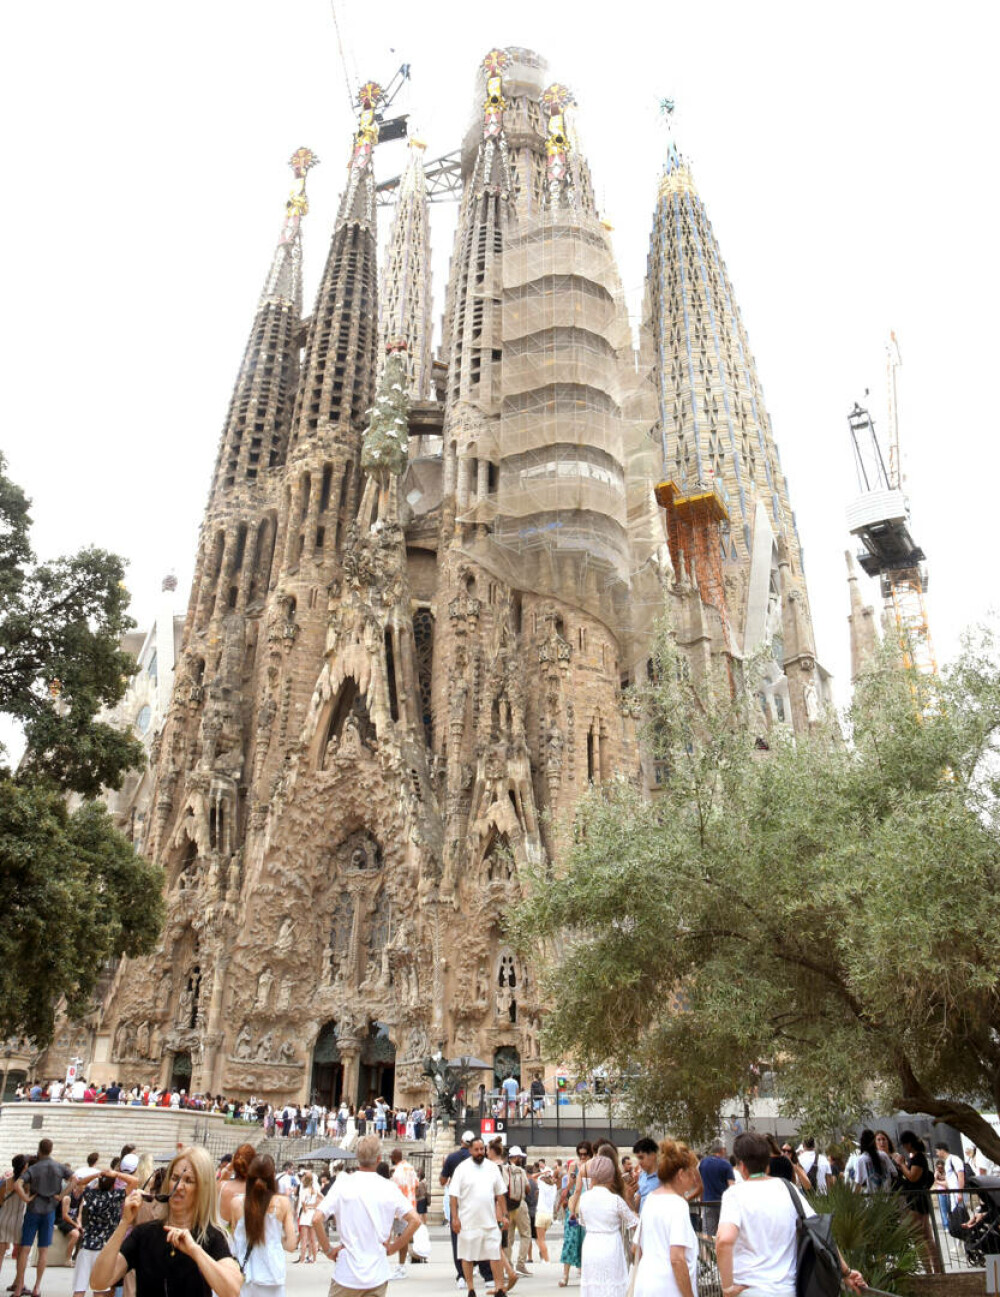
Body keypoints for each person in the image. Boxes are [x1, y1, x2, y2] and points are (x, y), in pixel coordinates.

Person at [715, 1132, 864, 1297]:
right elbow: (821, 1232)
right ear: (768, 1164)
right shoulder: (788, 1188)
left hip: (750, 1290)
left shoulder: (735, 1195)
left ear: (741, 1166)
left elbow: (724, 1240)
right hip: (788, 1290)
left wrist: (727, 1288)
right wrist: (846, 1271)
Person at [90, 1145, 241, 1297]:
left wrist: (195, 1251)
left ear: (203, 1188)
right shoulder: (144, 1234)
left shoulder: (211, 1237)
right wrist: (124, 1222)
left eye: (189, 1181)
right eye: (175, 1178)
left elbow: (233, 1292)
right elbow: (99, 1281)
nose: (179, 1187)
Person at [312, 1134, 420, 1297]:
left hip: (347, 1272)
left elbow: (316, 1219)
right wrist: (393, 1248)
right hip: (376, 1273)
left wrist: (328, 1250)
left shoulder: (343, 1184)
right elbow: (415, 1220)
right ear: (379, 1158)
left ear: (357, 1157)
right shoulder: (388, 1187)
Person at [633, 1139, 701, 1297]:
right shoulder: (678, 1205)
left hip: (645, 1283)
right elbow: (677, 1258)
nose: (694, 1180)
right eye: (691, 1173)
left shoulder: (650, 1199)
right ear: (681, 1174)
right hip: (669, 1287)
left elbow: (636, 1247)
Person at [230, 1154, 298, 1297]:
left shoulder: (237, 1203)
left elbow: (235, 1242)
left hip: (246, 1275)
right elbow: (291, 1245)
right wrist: (274, 1239)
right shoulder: (282, 1203)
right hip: (273, 1275)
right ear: (272, 1176)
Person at [12, 1138, 72, 1297]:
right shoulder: (58, 1167)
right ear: (51, 1150)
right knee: (43, 1251)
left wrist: (26, 1198)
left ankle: (18, 1288)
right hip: (49, 1210)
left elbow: (17, 1184)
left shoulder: (35, 1168)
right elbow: (75, 1180)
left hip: (33, 1209)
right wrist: (61, 1195)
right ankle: (37, 1287)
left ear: (39, 1150)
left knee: (25, 1250)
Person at [450, 1138, 508, 1297]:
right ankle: (471, 1289)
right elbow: (453, 1196)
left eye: (482, 1149)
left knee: (495, 1255)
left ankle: (499, 1288)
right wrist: (455, 1218)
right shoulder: (462, 1169)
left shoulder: (492, 1168)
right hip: (468, 1222)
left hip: (489, 1221)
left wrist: (504, 1215)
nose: (480, 1152)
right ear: (470, 1150)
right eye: (476, 1149)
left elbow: (500, 1193)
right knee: (467, 1256)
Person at [578, 1154, 637, 1297]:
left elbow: (583, 1221)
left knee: (592, 1285)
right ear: (611, 1176)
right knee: (612, 1285)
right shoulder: (615, 1200)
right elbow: (634, 1223)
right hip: (610, 1245)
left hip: (591, 1244)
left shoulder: (584, 1198)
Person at [440, 1131, 491, 1290]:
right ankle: (486, 1273)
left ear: (462, 1141)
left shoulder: (453, 1159)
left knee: (459, 1241)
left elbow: (443, 1181)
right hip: (478, 1204)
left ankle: (462, 1274)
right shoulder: (482, 1161)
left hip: (460, 1205)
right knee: (482, 1238)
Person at [893, 1131, 942, 1275]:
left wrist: (902, 1165)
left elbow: (912, 1177)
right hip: (920, 1200)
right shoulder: (917, 1158)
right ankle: (936, 1270)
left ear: (908, 1144)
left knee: (919, 1238)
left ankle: (930, 1270)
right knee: (927, 1237)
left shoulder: (918, 1159)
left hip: (917, 1201)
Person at [71, 1171, 126, 1297]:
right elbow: (134, 1182)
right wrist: (117, 1174)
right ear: (114, 1184)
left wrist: (97, 1175)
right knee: (100, 1289)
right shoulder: (115, 1196)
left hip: (87, 1244)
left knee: (79, 1287)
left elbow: (80, 1182)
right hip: (105, 1247)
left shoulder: (91, 1194)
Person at [389, 1148, 419, 1275]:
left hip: (400, 1209)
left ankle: (401, 1266)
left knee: (401, 1236)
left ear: (395, 1157)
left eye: (391, 1155)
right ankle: (401, 1264)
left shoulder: (397, 1172)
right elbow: (416, 1184)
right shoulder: (410, 1168)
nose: (390, 1157)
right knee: (404, 1235)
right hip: (411, 1206)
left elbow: (395, 1191)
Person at [697, 1141, 734, 1235]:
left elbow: (701, 1184)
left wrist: (701, 1200)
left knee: (708, 1233)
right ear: (722, 1150)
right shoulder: (726, 1164)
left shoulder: (703, 1163)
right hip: (723, 1204)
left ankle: (708, 1249)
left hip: (707, 1203)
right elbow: (732, 1187)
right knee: (724, 1233)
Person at [0, 1155, 28, 1271]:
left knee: (0, 1254)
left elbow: (0, 1201)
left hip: (4, 1219)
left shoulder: (5, 1183)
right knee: (20, 1255)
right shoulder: (26, 1184)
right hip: (19, 1221)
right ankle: (18, 1282)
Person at [219, 1143, 256, 1227]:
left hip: (221, 1238)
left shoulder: (221, 1186)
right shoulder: (256, 1191)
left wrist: (229, 1167)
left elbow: (222, 1178)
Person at [853, 1129, 896, 1193]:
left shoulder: (861, 1160)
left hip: (871, 1199)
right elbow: (894, 1173)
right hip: (888, 1198)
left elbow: (858, 1183)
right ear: (874, 1142)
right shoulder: (883, 1155)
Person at [933, 1141, 964, 1230]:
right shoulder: (947, 1162)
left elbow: (961, 1176)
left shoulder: (954, 1159)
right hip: (953, 1193)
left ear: (942, 1150)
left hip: (957, 1193)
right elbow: (949, 1181)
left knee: (960, 1217)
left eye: (937, 1151)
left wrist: (960, 1193)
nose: (937, 1154)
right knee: (957, 1217)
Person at [295, 1170, 322, 1264]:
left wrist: (306, 1207)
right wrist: (314, 1206)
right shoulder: (315, 1190)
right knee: (313, 1239)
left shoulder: (304, 1190)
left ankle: (302, 1258)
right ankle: (314, 1259)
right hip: (313, 1212)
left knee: (304, 1239)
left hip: (306, 1213)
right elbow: (322, 1198)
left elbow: (302, 1203)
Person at [629, 1138, 660, 1213]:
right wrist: (630, 1194)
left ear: (653, 1155)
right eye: (638, 1158)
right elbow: (636, 1206)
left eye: (641, 1158)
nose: (639, 1162)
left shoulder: (664, 1177)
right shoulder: (642, 1176)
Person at [534, 1167, 557, 1263]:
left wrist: (541, 1172)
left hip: (541, 1213)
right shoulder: (554, 1187)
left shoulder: (542, 1185)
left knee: (541, 1240)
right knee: (541, 1238)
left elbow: (533, 1177)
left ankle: (546, 1259)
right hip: (549, 1215)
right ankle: (543, 1257)